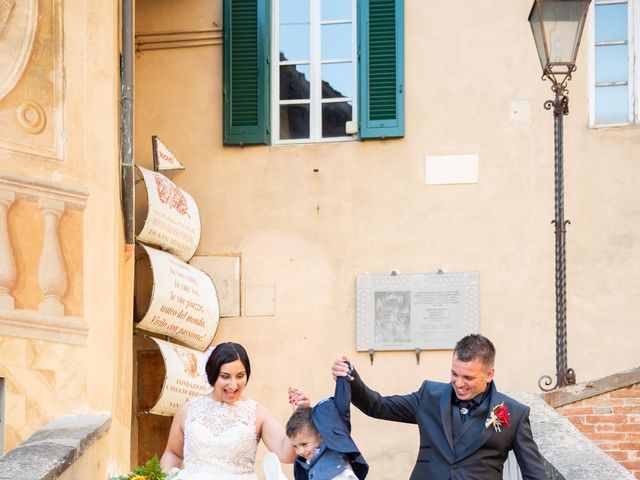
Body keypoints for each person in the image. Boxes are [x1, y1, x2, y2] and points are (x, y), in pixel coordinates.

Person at [331, 334, 547, 480]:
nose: (459, 383)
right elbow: (377, 406)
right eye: (454, 373)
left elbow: (534, 475)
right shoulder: (429, 396)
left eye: (468, 377)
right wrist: (350, 378)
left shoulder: (515, 414)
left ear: (489, 374)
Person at [161, 342, 309, 479]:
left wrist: (299, 415)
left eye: (240, 376)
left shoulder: (257, 413)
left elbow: (285, 454)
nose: (233, 385)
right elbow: (173, 453)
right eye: (225, 376)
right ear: (213, 375)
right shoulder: (188, 410)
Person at [285, 374, 368, 480]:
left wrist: (342, 379)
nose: (300, 451)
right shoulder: (313, 460)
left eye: (304, 444)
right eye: (295, 446)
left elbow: (342, 408)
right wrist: (298, 410)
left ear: (321, 435)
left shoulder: (336, 464)